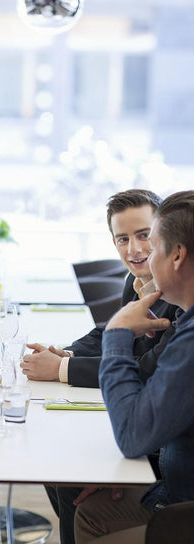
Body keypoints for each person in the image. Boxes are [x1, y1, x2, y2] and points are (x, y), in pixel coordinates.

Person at [20, 189, 179, 544]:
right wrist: (66, 354)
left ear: (165, 236)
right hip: (149, 429)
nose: (135, 250)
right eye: (123, 239)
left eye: (143, 236)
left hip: (166, 452)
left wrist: (60, 371)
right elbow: (111, 332)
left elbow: (145, 367)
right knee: (56, 462)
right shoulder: (135, 280)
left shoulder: (180, 295)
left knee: (68, 472)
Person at [74, 190, 194, 543]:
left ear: (177, 255)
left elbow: (132, 438)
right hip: (173, 478)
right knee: (91, 509)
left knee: (91, 515)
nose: (138, 254)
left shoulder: (188, 337)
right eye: (123, 240)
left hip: (182, 505)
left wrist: (117, 335)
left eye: (151, 244)